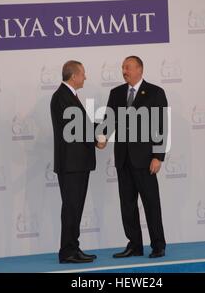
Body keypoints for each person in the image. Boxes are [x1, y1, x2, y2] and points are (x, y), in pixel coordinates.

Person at [105, 56, 168, 259]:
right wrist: (100, 137)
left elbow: (162, 126)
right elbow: (108, 121)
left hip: (145, 159)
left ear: (140, 69)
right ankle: (134, 245)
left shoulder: (155, 92)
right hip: (123, 159)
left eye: (128, 67)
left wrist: (158, 156)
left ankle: (158, 245)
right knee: (128, 205)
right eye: (123, 67)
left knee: (151, 203)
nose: (124, 71)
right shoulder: (116, 93)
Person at [50, 60, 105, 264]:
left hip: (77, 164)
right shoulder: (61, 97)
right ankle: (67, 252)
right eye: (83, 73)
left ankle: (73, 247)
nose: (85, 77)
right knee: (72, 208)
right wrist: (98, 137)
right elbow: (76, 128)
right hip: (71, 165)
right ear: (74, 76)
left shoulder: (68, 96)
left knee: (75, 207)